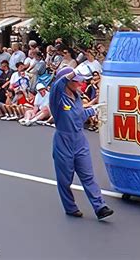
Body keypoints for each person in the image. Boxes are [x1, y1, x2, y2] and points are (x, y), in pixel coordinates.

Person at [49, 67, 113, 220]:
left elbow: (79, 116)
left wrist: (94, 109)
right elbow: (58, 84)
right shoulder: (57, 97)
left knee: (88, 176)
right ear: (67, 82)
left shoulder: (77, 97)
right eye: (76, 81)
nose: (79, 84)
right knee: (65, 180)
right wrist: (72, 71)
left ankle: (100, 207)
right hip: (63, 141)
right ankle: (70, 207)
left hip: (79, 141)